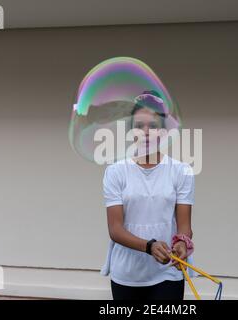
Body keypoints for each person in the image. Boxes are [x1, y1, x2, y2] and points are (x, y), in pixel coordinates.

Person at [100, 90, 197, 300]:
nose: (146, 132)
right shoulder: (115, 172)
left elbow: (184, 227)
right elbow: (115, 229)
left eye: (153, 126)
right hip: (127, 274)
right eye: (139, 126)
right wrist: (149, 246)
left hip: (168, 272)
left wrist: (182, 243)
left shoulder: (182, 171)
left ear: (163, 132)